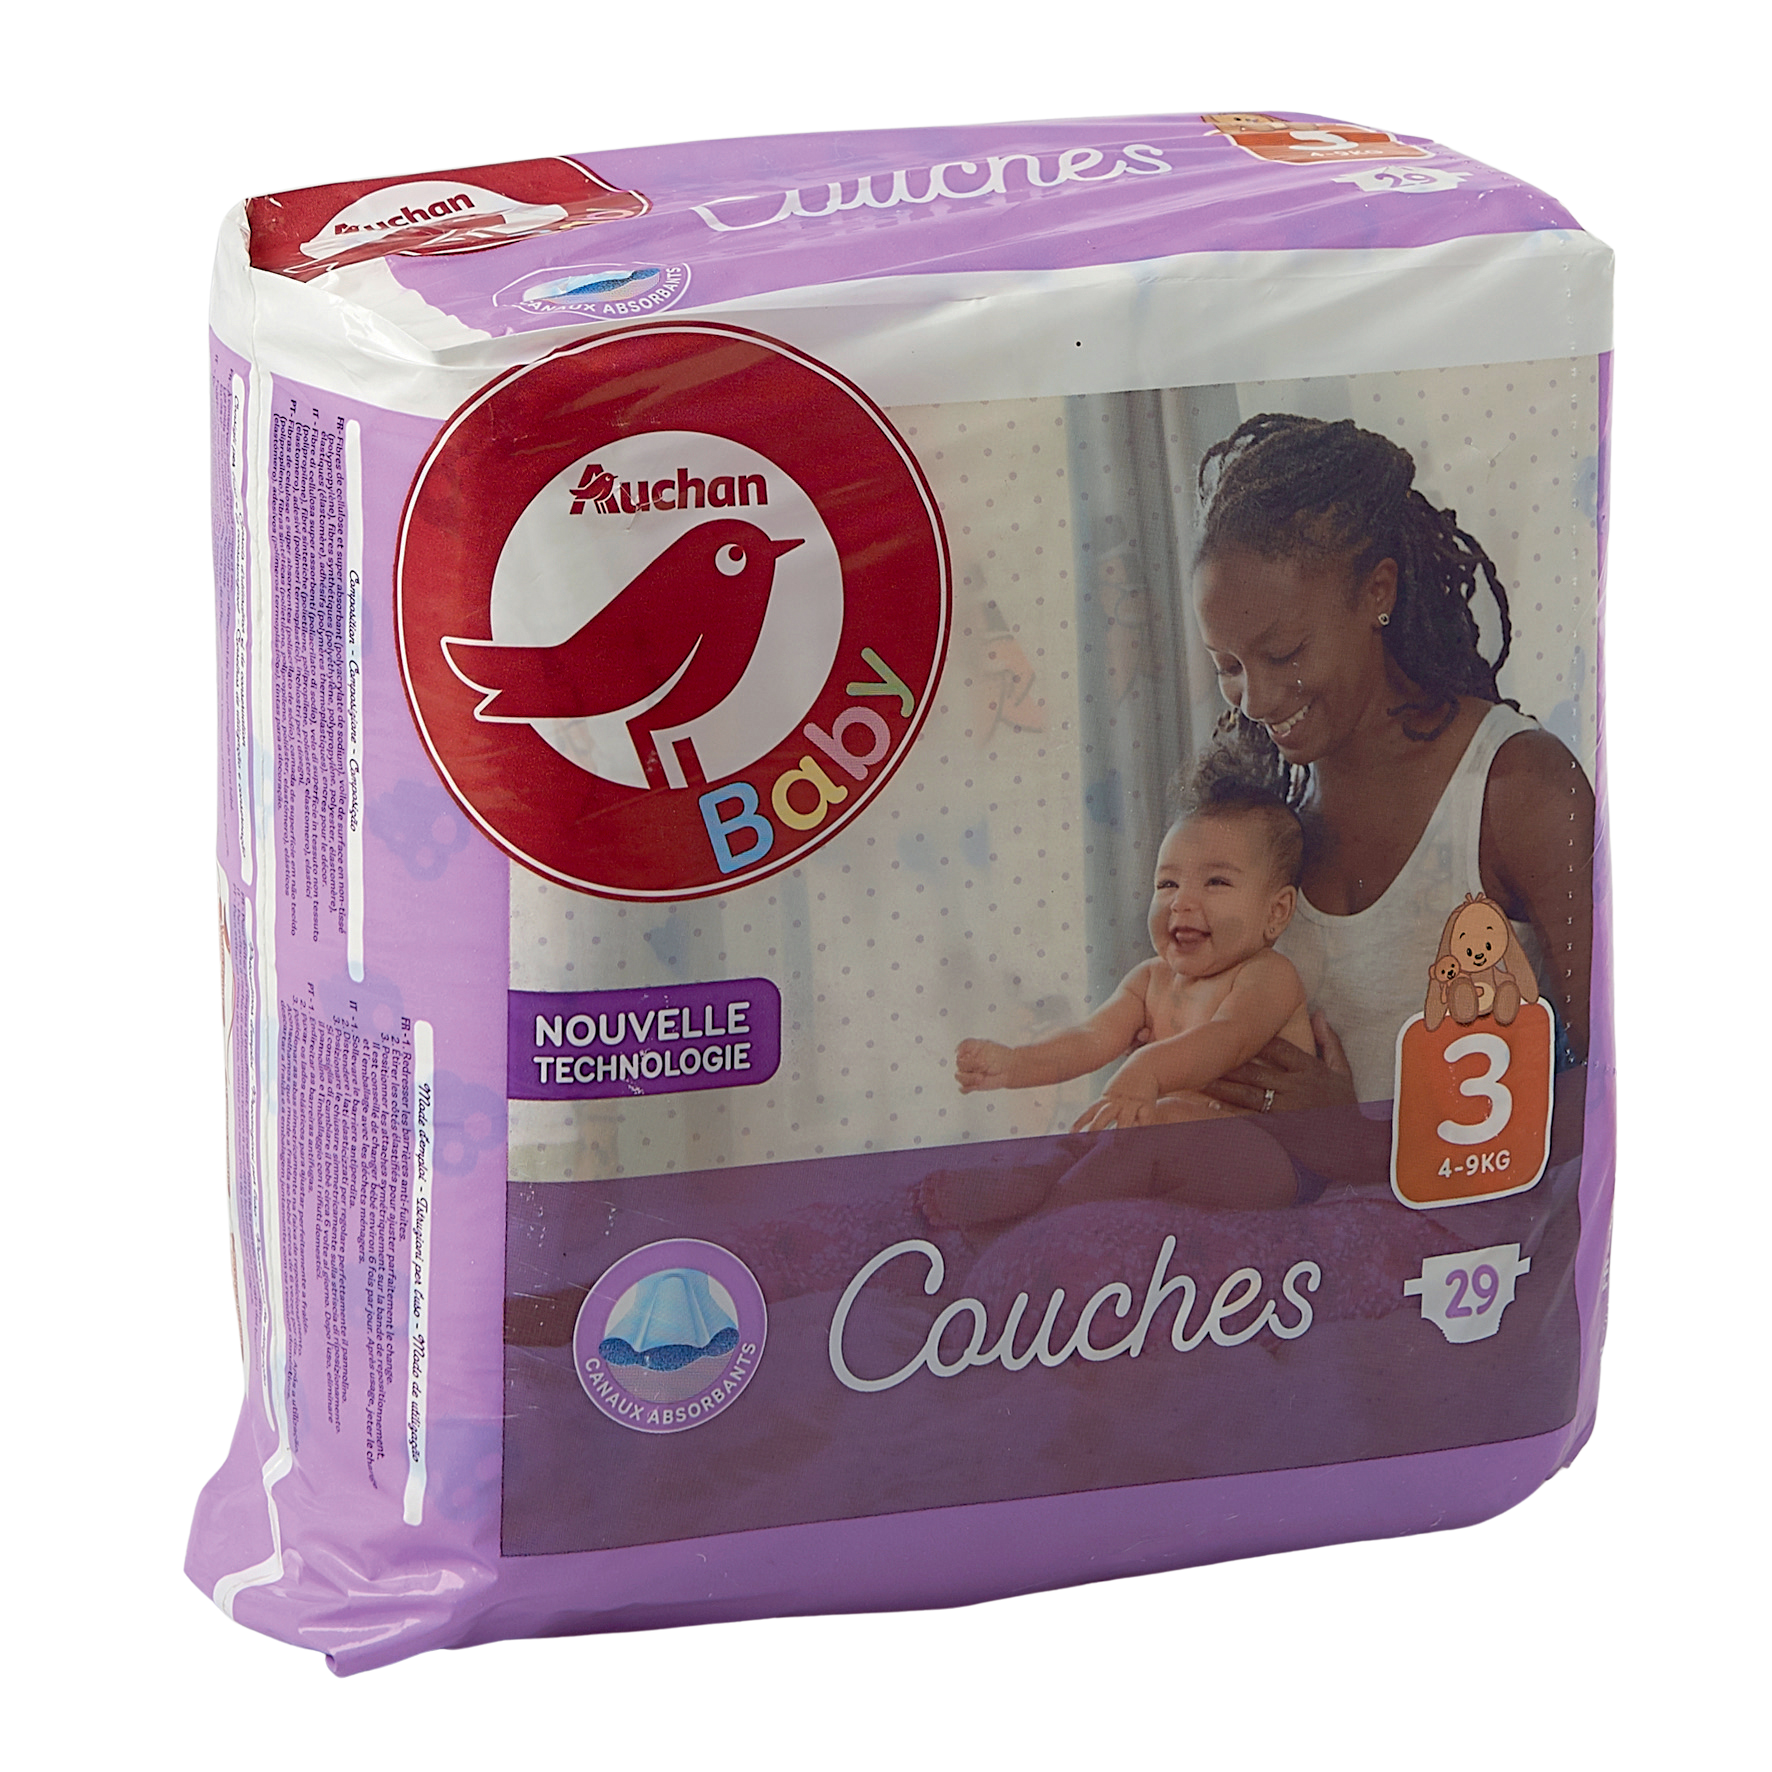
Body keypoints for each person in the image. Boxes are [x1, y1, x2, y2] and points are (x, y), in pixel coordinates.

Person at [1184, 413, 1594, 1169]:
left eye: (1284, 652)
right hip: (1290, 1237)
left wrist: (1368, 1142)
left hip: (1481, 1241)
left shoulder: (1515, 791)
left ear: (1378, 591)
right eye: (1227, 665)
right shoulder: (1264, 820)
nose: (1256, 700)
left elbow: (1604, 1102)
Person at [922, 784, 1312, 1225]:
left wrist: (1146, 1069)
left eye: (1216, 882)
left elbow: (1228, 1037)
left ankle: (1045, 1227)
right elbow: (1091, 1037)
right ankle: (1029, 1183)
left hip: (1271, 1162)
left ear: (1276, 912)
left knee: (1157, 1126)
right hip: (1180, 1145)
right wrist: (1017, 1064)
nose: (1182, 901)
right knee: (1088, 1135)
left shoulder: (1269, 975)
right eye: (1167, 883)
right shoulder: (1151, 979)